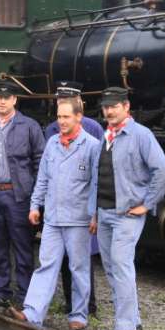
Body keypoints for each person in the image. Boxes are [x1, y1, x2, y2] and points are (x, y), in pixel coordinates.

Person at [11, 97, 100, 330]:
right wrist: (34, 206)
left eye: (66, 117)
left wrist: (94, 216)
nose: (61, 121)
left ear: (78, 117)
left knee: (78, 268)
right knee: (46, 265)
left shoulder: (91, 146)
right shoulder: (52, 143)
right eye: (59, 117)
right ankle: (32, 312)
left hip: (78, 220)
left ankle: (79, 315)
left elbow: (96, 185)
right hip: (52, 218)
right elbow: (42, 178)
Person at [95, 87, 165, 330]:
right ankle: (131, 321)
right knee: (110, 266)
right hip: (104, 211)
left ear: (126, 106)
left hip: (126, 214)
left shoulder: (141, 135)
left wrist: (147, 204)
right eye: (105, 107)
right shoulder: (106, 136)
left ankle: (125, 328)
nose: (109, 111)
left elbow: (163, 172)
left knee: (121, 265)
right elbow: (99, 176)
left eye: (114, 106)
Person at [0, 80, 44, 308]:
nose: (3, 101)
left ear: (15, 100)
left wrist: (33, 192)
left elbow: (40, 160)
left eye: (7, 97)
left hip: (19, 195)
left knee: (23, 245)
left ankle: (26, 294)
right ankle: (0, 291)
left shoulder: (29, 126)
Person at [43, 82, 103, 317]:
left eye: (66, 99)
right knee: (64, 258)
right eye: (59, 99)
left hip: (81, 207)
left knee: (82, 259)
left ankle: (89, 305)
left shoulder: (94, 129)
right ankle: (70, 301)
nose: (61, 103)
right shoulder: (52, 130)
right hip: (59, 205)